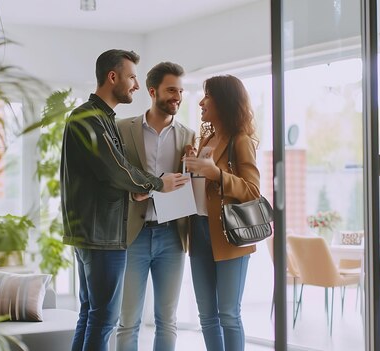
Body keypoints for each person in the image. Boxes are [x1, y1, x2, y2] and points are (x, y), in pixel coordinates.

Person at [60, 49, 189, 351]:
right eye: (132, 77)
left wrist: (135, 189)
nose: (135, 85)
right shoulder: (91, 118)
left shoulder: (101, 118)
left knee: (91, 315)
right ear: (112, 76)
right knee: (105, 318)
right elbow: (115, 168)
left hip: (93, 233)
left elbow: (109, 172)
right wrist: (158, 183)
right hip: (101, 234)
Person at [115, 61, 195, 351]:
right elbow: (115, 178)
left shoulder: (188, 136)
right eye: (171, 89)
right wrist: (136, 192)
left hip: (172, 236)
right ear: (152, 91)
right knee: (127, 321)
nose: (178, 96)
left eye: (181, 90)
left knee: (167, 320)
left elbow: (191, 184)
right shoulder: (123, 129)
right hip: (133, 234)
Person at [183, 75, 260, 351]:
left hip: (230, 234)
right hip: (199, 231)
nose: (202, 102)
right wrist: (190, 163)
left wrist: (217, 174)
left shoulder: (240, 141)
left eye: (208, 96)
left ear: (223, 101)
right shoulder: (205, 138)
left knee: (228, 314)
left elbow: (252, 191)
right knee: (207, 316)